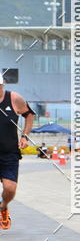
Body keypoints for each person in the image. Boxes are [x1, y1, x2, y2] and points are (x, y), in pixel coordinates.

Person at [0, 72, 36, 230]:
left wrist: (24, 136)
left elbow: (29, 115)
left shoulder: (14, 99)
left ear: (2, 85)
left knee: (10, 188)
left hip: (9, 153)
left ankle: (3, 206)